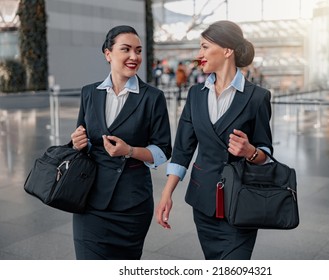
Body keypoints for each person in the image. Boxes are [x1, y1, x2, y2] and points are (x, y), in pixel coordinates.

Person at [155, 20, 273, 260]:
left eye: (205, 47)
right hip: (204, 202)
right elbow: (183, 150)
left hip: (241, 202)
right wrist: (167, 193)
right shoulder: (195, 95)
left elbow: (265, 153)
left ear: (227, 50)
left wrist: (250, 151)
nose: (199, 55)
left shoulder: (257, 98)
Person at [70, 25, 172, 260]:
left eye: (138, 50)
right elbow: (82, 142)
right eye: (126, 49)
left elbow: (163, 150)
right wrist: (77, 142)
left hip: (132, 206)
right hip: (90, 202)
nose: (134, 57)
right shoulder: (89, 93)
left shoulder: (152, 97)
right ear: (108, 54)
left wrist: (130, 151)